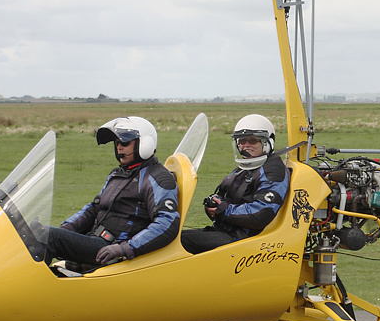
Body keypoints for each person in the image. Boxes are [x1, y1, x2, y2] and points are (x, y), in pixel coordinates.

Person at [44, 116, 180, 268]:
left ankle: (30, 287)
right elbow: (94, 208)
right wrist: (67, 229)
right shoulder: (118, 174)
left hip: (111, 249)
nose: (119, 147)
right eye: (117, 143)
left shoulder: (158, 178)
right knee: (38, 231)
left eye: (125, 142)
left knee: (47, 236)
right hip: (96, 240)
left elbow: (167, 223)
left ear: (144, 144)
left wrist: (124, 248)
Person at [181, 114, 289, 255]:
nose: (246, 146)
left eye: (253, 141)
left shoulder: (272, 171)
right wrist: (214, 205)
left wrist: (224, 210)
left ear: (267, 143)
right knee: (175, 238)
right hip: (229, 231)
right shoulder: (247, 166)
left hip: (245, 239)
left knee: (182, 242)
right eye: (242, 141)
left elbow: (262, 213)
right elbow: (227, 196)